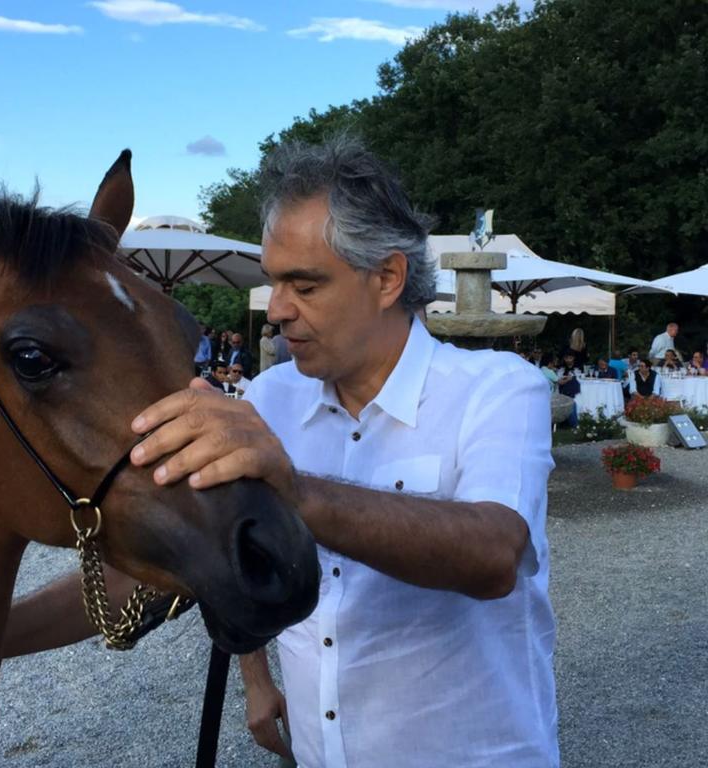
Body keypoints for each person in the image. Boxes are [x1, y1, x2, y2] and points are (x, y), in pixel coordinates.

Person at [130, 137, 557, 766]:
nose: (276, 311)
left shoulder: (496, 389)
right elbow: (206, 548)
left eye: (304, 285)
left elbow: (495, 555)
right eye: (275, 282)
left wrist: (294, 491)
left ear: (387, 278)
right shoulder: (269, 397)